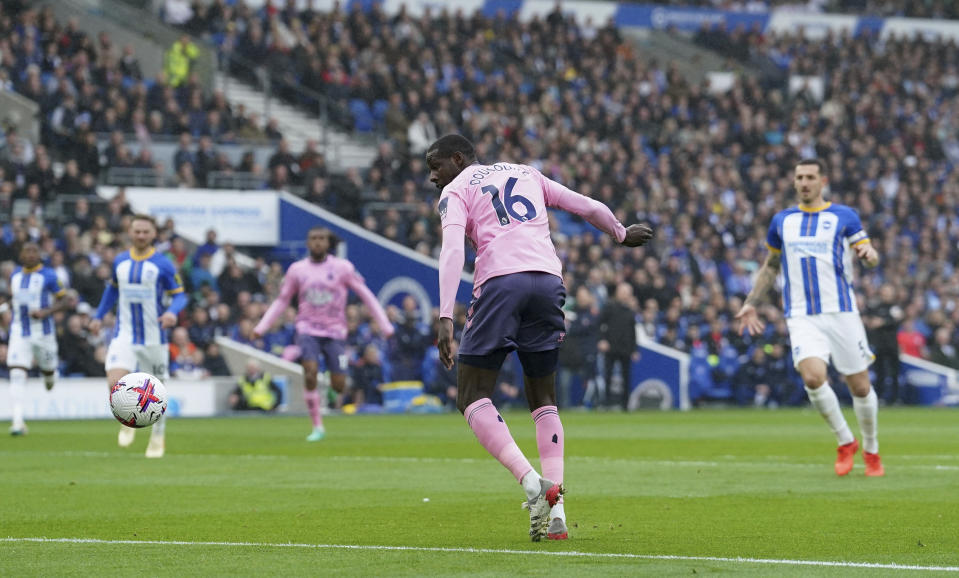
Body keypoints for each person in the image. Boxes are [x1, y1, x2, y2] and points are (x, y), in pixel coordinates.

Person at [427, 134, 653, 541]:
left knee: (471, 394)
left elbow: (451, 250)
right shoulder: (526, 172)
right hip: (549, 283)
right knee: (543, 398)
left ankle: (533, 484)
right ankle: (558, 512)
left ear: (457, 159)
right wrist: (619, 233)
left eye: (435, 166)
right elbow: (586, 205)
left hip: (500, 284)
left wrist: (445, 314)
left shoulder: (456, 189)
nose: (432, 177)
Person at [736, 159, 884, 477]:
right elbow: (771, 265)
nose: (805, 182)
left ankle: (871, 449)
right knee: (813, 378)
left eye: (811, 177)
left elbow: (869, 254)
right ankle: (846, 442)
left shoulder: (843, 216)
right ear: (794, 182)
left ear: (822, 181)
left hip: (841, 311)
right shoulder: (782, 221)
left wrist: (870, 256)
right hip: (802, 314)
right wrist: (752, 302)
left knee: (859, 386)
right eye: (800, 177)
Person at [252, 227, 394, 441]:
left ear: (328, 244)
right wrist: (261, 327)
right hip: (307, 329)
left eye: (321, 239)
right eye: (313, 239)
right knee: (309, 372)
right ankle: (317, 426)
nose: (317, 243)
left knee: (339, 385)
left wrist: (385, 325)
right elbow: (282, 300)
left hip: (335, 332)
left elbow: (365, 294)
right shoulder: (297, 270)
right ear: (308, 243)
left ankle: (332, 376)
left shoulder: (342, 268)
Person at [88, 215, 188, 458]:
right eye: (137, 231)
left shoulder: (163, 264)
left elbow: (180, 295)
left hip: (155, 338)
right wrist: (98, 316)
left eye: (146, 231)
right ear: (130, 233)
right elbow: (112, 290)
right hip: (125, 335)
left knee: (158, 392)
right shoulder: (120, 261)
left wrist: (172, 313)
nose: (141, 235)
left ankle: (157, 436)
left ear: (154, 234)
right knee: (114, 382)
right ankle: (127, 418)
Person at [5, 242, 69, 435]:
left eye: (34, 251)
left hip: (44, 333)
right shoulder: (15, 275)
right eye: (27, 251)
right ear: (21, 254)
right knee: (17, 372)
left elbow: (65, 300)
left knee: (49, 374)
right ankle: (17, 422)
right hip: (19, 332)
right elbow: (16, 299)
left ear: (39, 255)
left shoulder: (49, 275)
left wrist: (45, 312)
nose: (31, 255)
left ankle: (49, 376)